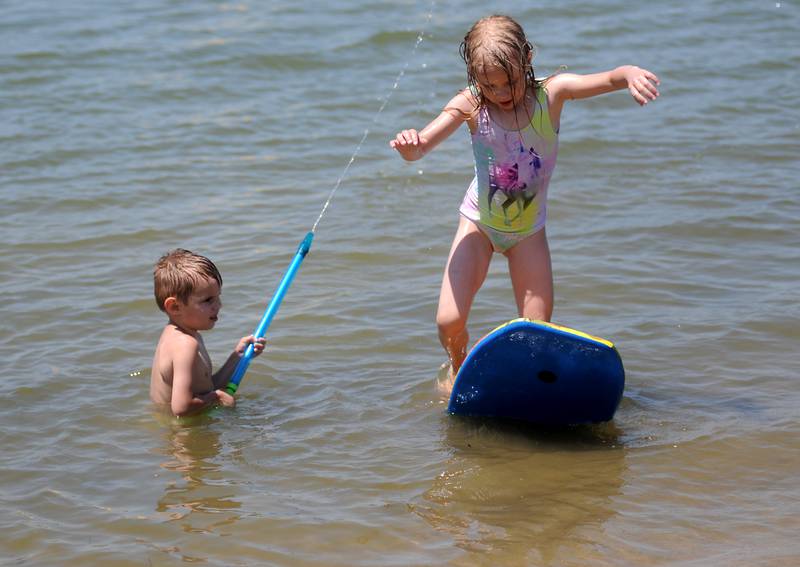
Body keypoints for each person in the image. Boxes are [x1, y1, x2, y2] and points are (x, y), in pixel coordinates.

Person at [389, 14, 659, 393]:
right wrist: (410, 147)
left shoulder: (551, 95)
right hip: (479, 224)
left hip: (528, 234)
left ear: (527, 58)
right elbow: (422, 148)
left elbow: (606, 78)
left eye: (509, 81)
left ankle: (529, 389)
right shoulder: (471, 104)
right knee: (448, 321)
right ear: (474, 77)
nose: (500, 92)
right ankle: (458, 369)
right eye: (489, 84)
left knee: (537, 333)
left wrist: (629, 73)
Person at [150, 249, 266, 416]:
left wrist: (237, 357)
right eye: (207, 300)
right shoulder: (185, 345)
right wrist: (217, 398)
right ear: (175, 307)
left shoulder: (183, 335)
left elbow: (205, 386)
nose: (218, 305)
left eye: (217, 297)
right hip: (184, 436)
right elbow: (181, 407)